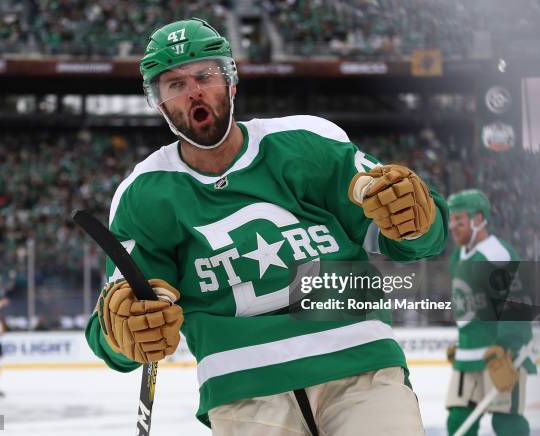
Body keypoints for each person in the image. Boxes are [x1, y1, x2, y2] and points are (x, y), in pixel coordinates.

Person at [86, 18, 448, 435]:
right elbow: (117, 318)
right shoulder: (145, 194)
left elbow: (414, 241)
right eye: (175, 84)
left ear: (232, 82)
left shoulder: (307, 143)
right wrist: (123, 333)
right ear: (160, 104)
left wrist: (417, 220)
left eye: (204, 75)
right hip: (244, 395)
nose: (194, 91)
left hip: (360, 367)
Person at [446, 189, 536, 436]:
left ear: (478, 219)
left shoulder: (497, 254)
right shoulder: (458, 257)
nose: (453, 226)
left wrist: (509, 345)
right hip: (469, 356)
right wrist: (462, 342)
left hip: (501, 355)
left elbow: (516, 304)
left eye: (459, 220)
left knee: (507, 422)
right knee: (458, 422)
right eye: (451, 220)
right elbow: (470, 305)